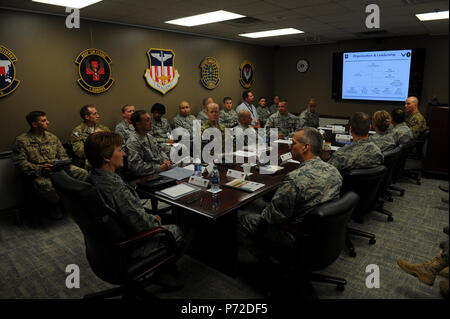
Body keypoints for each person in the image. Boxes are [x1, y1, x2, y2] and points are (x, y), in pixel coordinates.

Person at [84, 131, 184, 289]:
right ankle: (160, 270)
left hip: (103, 247)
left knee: (162, 217)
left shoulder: (92, 177)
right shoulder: (116, 189)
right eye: (119, 150)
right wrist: (154, 220)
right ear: (106, 157)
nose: (124, 153)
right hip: (130, 246)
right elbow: (142, 224)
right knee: (178, 229)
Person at [239, 128, 342, 258]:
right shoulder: (334, 172)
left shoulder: (294, 179)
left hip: (294, 235)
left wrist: (263, 209)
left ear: (306, 147)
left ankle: (266, 259)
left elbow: (271, 217)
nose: (290, 146)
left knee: (240, 218)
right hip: (321, 234)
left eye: (293, 143)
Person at [12, 111, 88, 219]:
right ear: (34, 124)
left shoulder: (52, 137)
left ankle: (76, 203)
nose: (48, 122)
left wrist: (65, 163)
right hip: (40, 173)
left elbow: (62, 155)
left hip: (58, 168)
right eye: (43, 121)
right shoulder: (21, 140)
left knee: (83, 173)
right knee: (45, 185)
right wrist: (40, 168)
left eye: (46, 120)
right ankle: (54, 205)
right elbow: (20, 163)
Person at [125, 110, 172, 177]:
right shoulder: (132, 142)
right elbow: (137, 167)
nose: (151, 122)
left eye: (150, 119)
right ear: (138, 124)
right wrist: (158, 168)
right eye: (147, 120)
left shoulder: (149, 136)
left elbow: (160, 150)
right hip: (148, 176)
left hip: (161, 170)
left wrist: (165, 160)